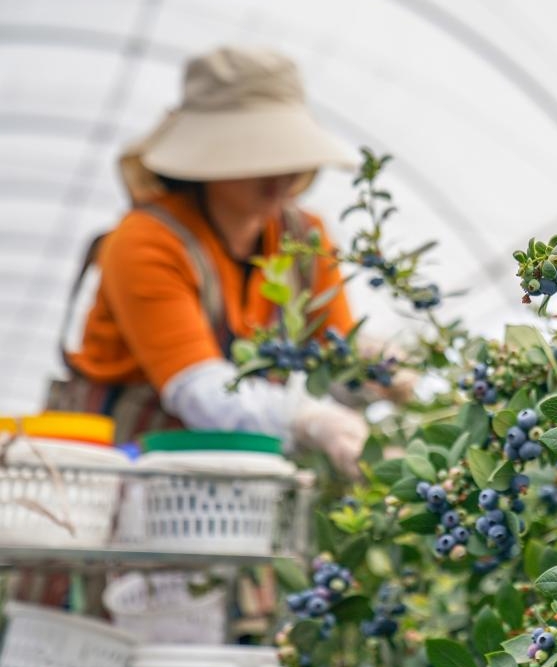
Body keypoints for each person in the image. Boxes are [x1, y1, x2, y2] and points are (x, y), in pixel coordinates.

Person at [48, 46, 368, 478]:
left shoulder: (304, 241)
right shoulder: (146, 239)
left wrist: (377, 372)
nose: (283, 170)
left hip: (244, 487)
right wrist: (307, 418)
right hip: (123, 477)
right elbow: (200, 391)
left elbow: (339, 360)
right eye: (260, 152)